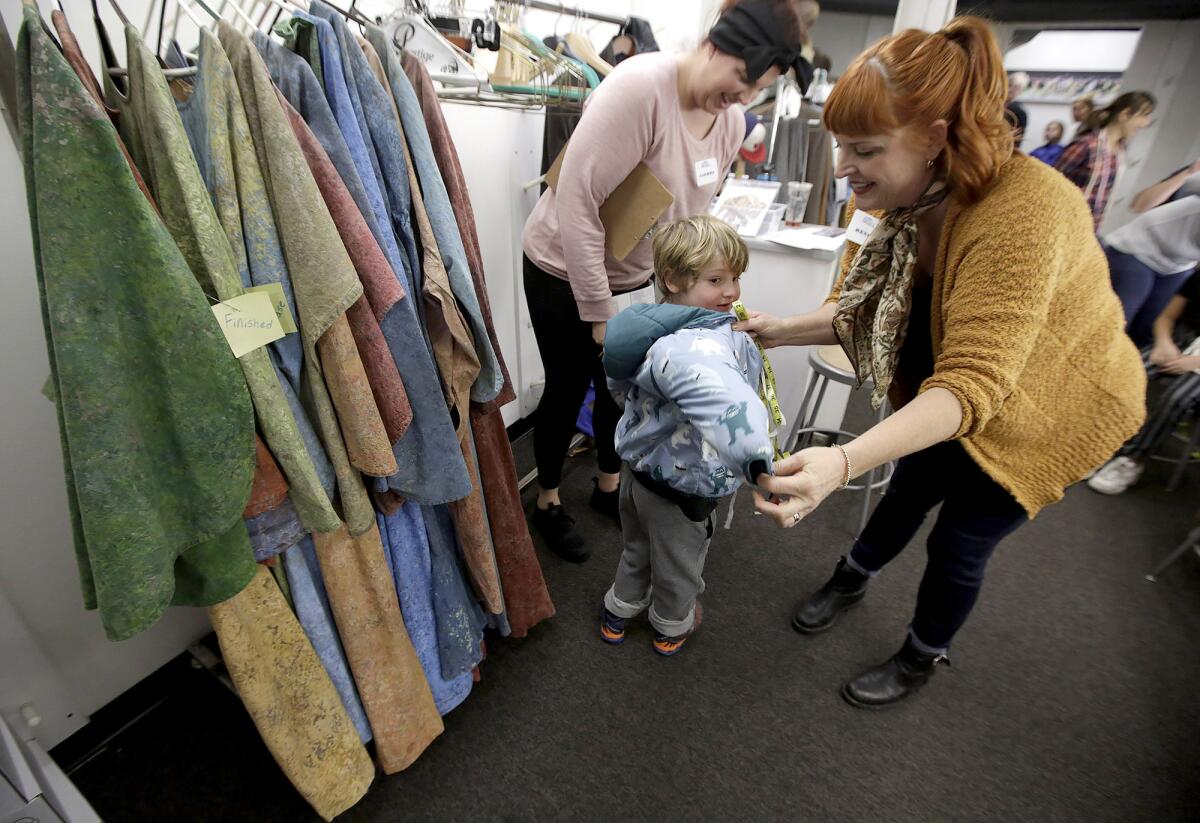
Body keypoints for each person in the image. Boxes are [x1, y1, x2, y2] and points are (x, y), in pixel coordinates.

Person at [735, 16, 1146, 708]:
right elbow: (864, 309)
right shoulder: (906, 203)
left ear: (934, 137)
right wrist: (780, 330)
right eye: (842, 146)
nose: (842, 167)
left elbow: (975, 383)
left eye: (863, 149)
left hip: (1045, 411)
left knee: (958, 542)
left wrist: (840, 461)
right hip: (945, 391)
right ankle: (853, 573)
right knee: (907, 488)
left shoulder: (1027, 207)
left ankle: (923, 652)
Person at [521, 0, 811, 562]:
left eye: (758, 91)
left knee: (623, 385)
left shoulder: (727, 121)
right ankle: (549, 500)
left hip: (634, 273)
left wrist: (698, 291)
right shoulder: (640, 89)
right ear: (715, 45)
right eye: (744, 80)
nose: (744, 99)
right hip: (562, 266)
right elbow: (578, 203)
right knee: (568, 385)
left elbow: (691, 217)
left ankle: (607, 484)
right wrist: (600, 313)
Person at [599, 216, 774, 655]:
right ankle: (671, 626)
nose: (731, 291)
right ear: (673, 279)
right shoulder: (694, 347)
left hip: (638, 473)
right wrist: (759, 464)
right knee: (679, 567)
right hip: (684, 485)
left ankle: (618, 612)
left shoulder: (645, 331)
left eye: (735, 278)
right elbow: (725, 405)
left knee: (636, 548)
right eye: (716, 279)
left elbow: (620, 392)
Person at [1090, 275, 1200, 495]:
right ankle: (1093, 441)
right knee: (1127, 371)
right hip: (1179, 341)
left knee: (1177, 398)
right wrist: (1163, 343)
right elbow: (1166, 317)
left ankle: (1133, 458)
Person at [1102, 160, 1200, 345]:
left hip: (1178, 264)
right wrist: (1190, 173)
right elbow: (1192, 184)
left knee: (1147, 331)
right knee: (1116, 323)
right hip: (1141, 247)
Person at [1056, 91, 1156, 231]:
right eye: (1144, 115)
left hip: (1089, 229)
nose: (1147, 123)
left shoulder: (1120, 150)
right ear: (1125, 114)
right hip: (1064, 225)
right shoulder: (1087, 145)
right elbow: (1052, 182)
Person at [1004, 71, 1029, 144]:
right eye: (1009, 85)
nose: (1010, 89)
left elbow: (1017, 140)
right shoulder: (993, 104)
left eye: (1016, 87)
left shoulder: (1019, 112)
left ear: (1020, 91)